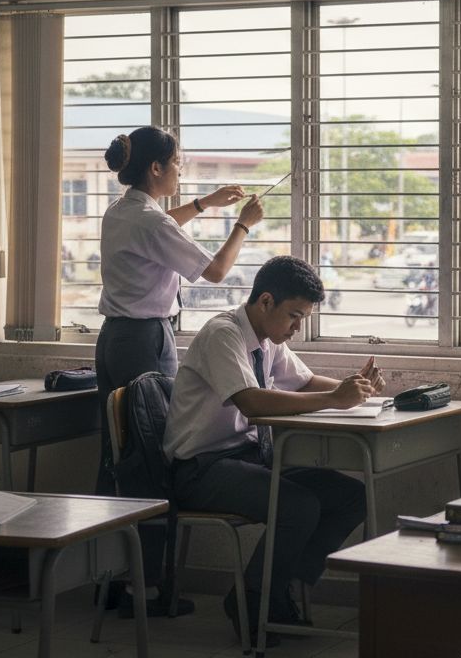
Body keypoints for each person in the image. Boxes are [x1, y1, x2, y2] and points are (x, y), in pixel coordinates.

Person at [163, 255, 381, 646]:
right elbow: (252, 403)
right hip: (200, 468)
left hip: (246, 459)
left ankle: (276, 588)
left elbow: (305, 381)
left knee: (351, 496)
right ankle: (250, 600)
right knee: (297, 506)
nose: (297, 329)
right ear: (266, 302)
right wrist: (336, 398)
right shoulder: (223, 334)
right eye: (294, 317)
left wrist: (358, 391)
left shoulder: (267, 338)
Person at [96, 125, 264, 617]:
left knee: (117, 456)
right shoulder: (149, 221)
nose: (181, 169)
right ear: (156, 168)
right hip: (144, 343)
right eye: (178, 163)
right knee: (150, 462)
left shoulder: (124, 210)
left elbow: (161, 228)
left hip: (114, 339)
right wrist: (243, 225)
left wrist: (205, 203)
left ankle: (110, 579)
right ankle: (144, 589)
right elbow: (213, 271)